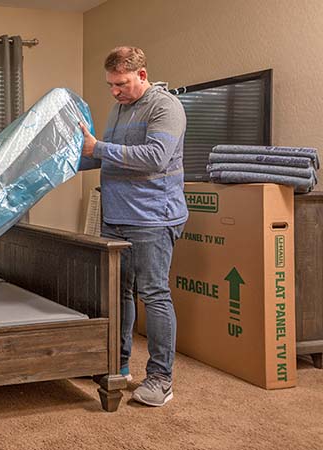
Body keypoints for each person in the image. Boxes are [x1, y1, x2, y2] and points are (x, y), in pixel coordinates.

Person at [78, 46, 187, 407]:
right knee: (119, 294)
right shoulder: (120, 108)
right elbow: (109, 156)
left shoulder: (165, 106)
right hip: (117, 217)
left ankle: (160, 379)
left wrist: (99, 148)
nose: (114, 91)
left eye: (121, 83)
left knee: (153, 293)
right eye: (110, 84)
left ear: (141, 75)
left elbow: (155, 158)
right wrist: (70, 160)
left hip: (152, 218)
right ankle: (118, 365)